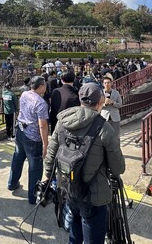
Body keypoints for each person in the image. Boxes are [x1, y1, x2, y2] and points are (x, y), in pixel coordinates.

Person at [44, 82, 125, 244]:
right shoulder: (104, 128)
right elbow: (119, 167)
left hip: (68, 187)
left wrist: (48, 176)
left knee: (74, 227)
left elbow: (51, 155)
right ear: (99, 103)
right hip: (93, 194)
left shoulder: (63, 121)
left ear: (81, 100)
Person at [7, 76, 49, 204]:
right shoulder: (41, 103)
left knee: (18, 157)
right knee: (35, 167)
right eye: (45, 85)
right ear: (41, 86)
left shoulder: (25, 94)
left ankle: (12, 183)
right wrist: (45, 145)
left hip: (20, 132)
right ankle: (33, 196)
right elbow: (43, 125)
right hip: (33, 138)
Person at [100, 73, 123, 138]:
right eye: (105, 83)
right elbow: (98, 106)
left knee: (116, 136)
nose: (107, 84)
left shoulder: (116, 93)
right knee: (105, 136)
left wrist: (113, 103)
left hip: (115, 118)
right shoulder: (100, 93)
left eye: (108, 83)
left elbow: (120, 104)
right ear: (103, 84)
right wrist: (104, 104)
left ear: (111, 83)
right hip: (104, 118)